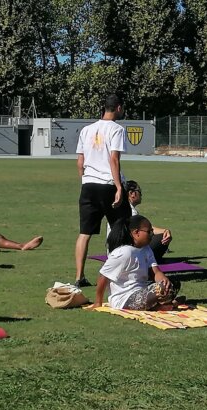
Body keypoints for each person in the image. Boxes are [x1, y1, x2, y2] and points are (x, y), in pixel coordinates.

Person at [74, 94, 131, 287]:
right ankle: (120, 274)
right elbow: (113, 159)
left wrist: (85, 181)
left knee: (84, 233)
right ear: (118, 108)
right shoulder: (117, 130)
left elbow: (80, 162)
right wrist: (118, 186)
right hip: (108, 184)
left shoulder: (86, 129)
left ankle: (79, 277)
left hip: (88, 185)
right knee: (122, 229)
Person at [89, 215, 180, 310]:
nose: (152, 234)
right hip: (124, 299)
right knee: (159, 290)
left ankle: (161, 305)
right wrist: (98, 302)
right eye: (149, 232)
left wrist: (164, 281)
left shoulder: (146, 249)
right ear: (136, 233)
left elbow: (155, 272)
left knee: (172, 284)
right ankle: (163, 304)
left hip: (143, 291)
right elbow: (103, 276)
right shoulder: (123, 252)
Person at [119, 180, 172, 262]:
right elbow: (146, 229)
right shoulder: (130, 211)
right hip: (127, 254)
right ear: (131, 194)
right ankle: (150, 261)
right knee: (162, 236)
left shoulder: (121, 208)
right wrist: (165, 231)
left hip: (117, 250)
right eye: (139, 191)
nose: (141, 194)